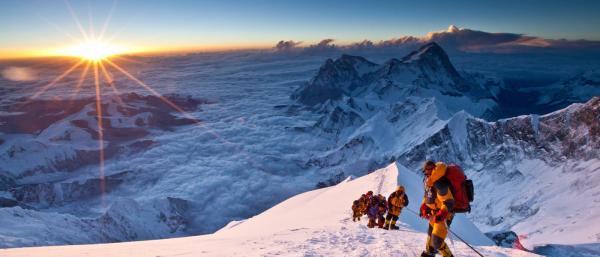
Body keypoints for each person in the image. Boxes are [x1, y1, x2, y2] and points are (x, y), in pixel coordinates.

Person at [420, 160, 455, 257]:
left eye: (426, 170)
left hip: (444, 215)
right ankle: (429, 253)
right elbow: (427, 196)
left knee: (437, 240)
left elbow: (449, 202)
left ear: (432, 170)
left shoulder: (439, 183)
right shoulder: (429, 182)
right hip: (434, 214)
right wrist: (423, 206)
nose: (425, 173)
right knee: (430, 234)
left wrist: (442, 214)